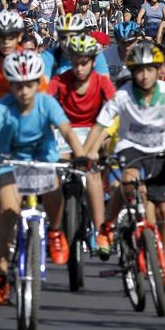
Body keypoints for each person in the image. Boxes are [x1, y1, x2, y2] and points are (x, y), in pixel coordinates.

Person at [0, 51, 85, 305]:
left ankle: (56, 231)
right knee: (7, 214)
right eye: (17, 85)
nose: (24, 91)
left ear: (38, 83)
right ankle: (0, 278)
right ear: (10, 84)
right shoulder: (3, 105)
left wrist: (81, 155)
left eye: (29, 85)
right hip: (9, 161)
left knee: (54, 192)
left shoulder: (47, 103)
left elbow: (67, 131)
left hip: (42, 159)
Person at [85, 39, 165, 294]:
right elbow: (102, 125)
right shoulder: (123, 95)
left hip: (159, 151)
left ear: (159, 70)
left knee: (164, 210)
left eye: (150, 69)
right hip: (131, 147)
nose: (144, 75)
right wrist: (88, 152)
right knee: (128, 181)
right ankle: (107, 226)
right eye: (139, 70)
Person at [48, 35, 115, 235]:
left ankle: (101, 231)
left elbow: (115, 110)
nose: (79, 68)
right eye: (75, 63)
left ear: (93, 62)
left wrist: (99, 142)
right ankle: (56, 228)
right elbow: (43, 104)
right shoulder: (59, 81)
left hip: (93, 132)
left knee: (93, 175)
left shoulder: (102, 81)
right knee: (57, 171)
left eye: (84, 63)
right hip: (65, 133)